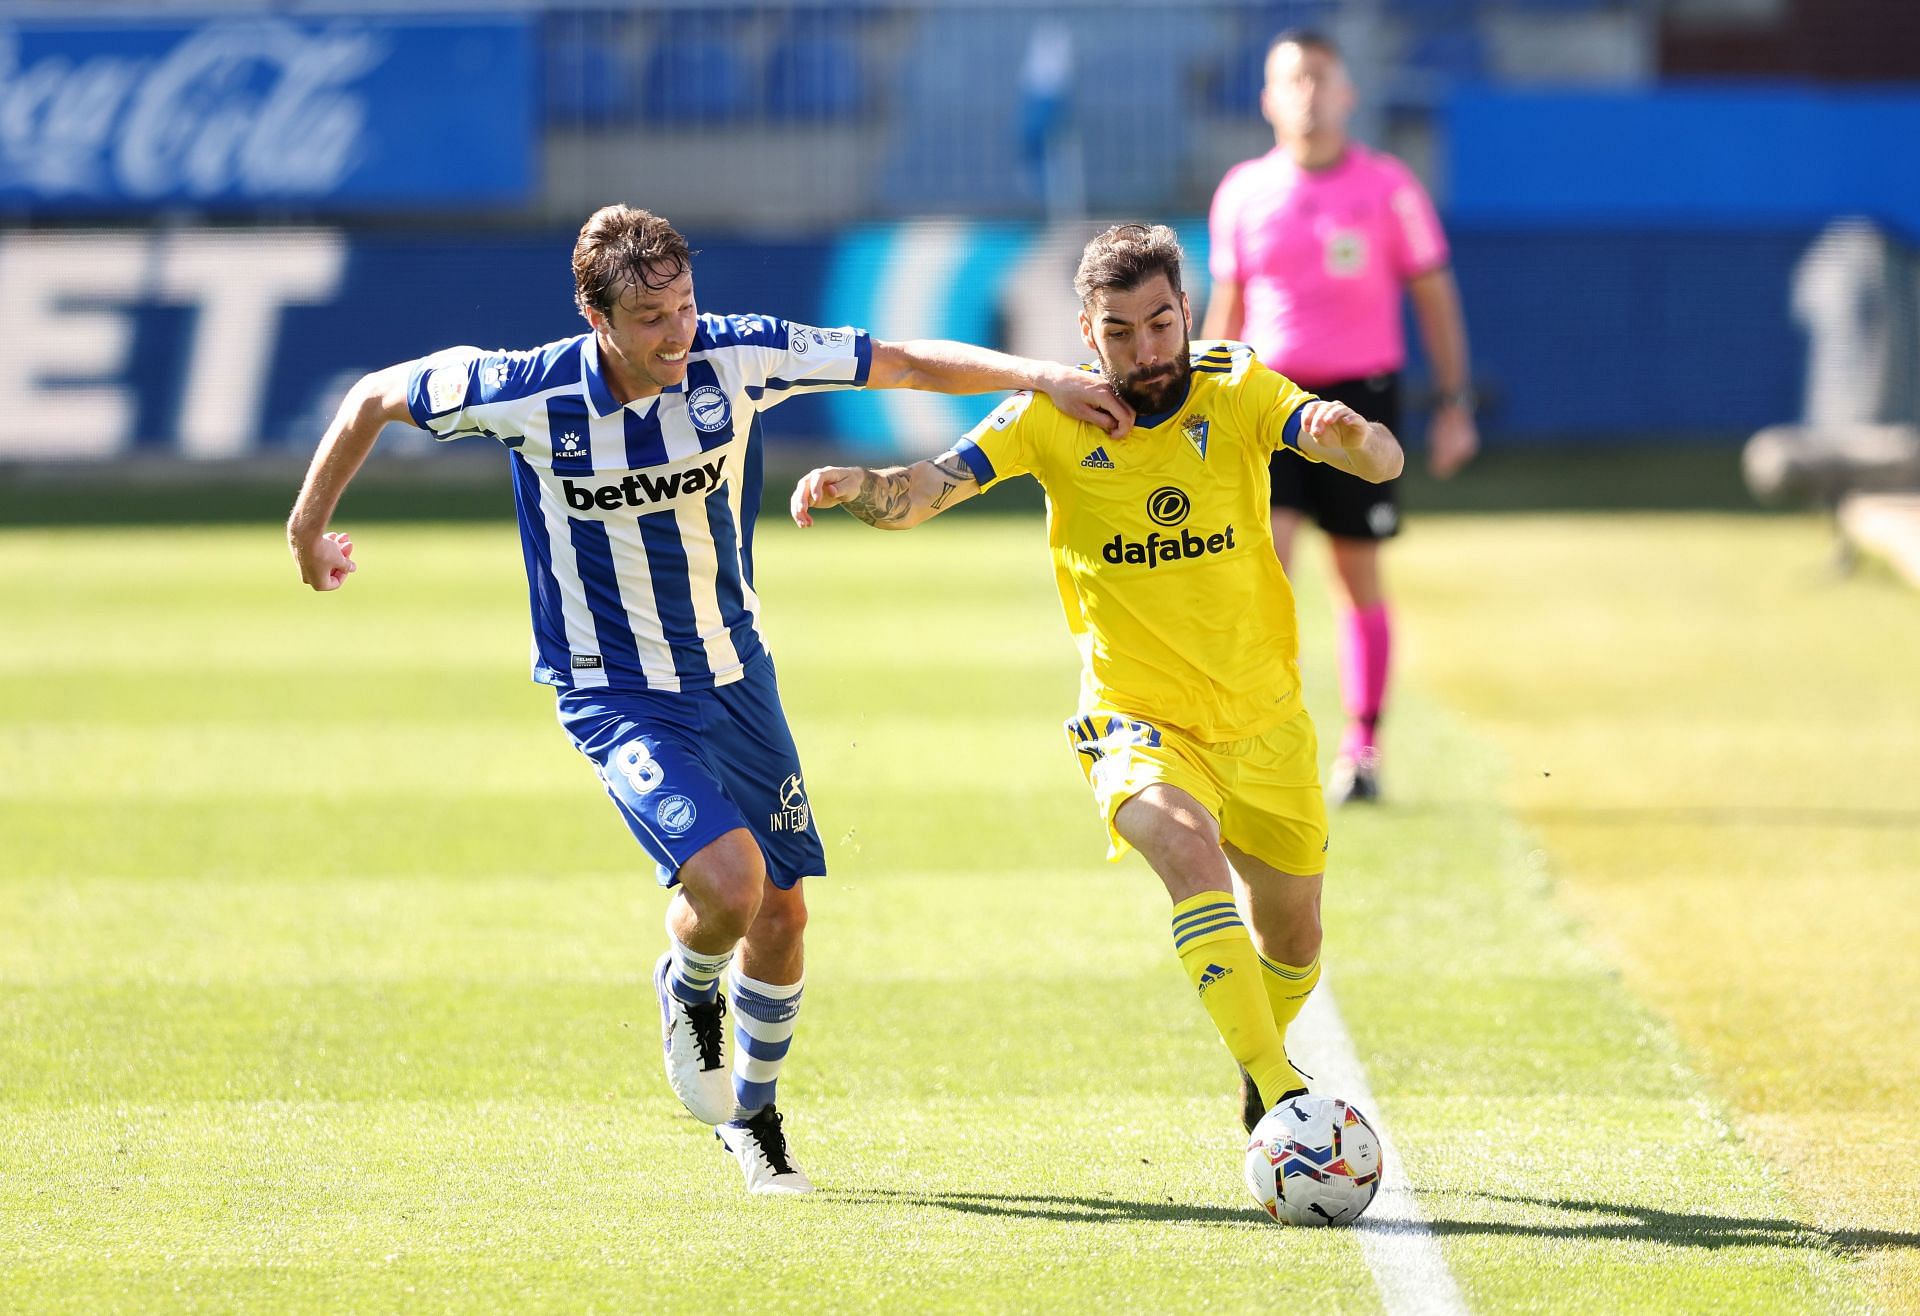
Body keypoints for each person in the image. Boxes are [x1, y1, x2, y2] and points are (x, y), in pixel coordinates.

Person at [286, 204, 1132, 1194]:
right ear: (595, 318)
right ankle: (687, 986)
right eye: (651, 318)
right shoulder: (529, 388)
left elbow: (899, 361)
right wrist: (307, 530)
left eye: (686, 306)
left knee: (782, 917)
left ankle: (754, 1114)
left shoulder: (739, 356)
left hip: (736, 675)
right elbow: (374, 399)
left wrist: (1045, 376)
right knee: (729, 887)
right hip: (612, 689)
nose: (678, 333)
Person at [790, 224, 1403, 1132]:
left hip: (1265, 719)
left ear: (1186, 310)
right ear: (1087, 331)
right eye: (1121, 332)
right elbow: (928, 489)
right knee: (1189, 857)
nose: (1147, 350)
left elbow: (1347, 442)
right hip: (1135, 718)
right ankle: (1282, 1095)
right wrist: (862, 486)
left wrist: (1355, 439)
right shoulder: (1049, 415)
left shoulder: (1235, 389)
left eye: (1161, 323)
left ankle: (1256, 1064)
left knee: (1296, 940)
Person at [1201, 28, 1477, 804]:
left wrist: (1453, 404)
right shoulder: (1243, 192)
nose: (1309, 94)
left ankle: (1364, 750)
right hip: (1269, 402)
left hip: (1362, 406)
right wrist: (1199, 408)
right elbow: (1228, 308)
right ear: (1267, 99)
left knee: (1357, 576)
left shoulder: (1388, 188)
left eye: (1321, 78)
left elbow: (1435, 294)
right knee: (1267, 570)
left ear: (1348, 93)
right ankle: (1260, 736)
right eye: (1293, 79)